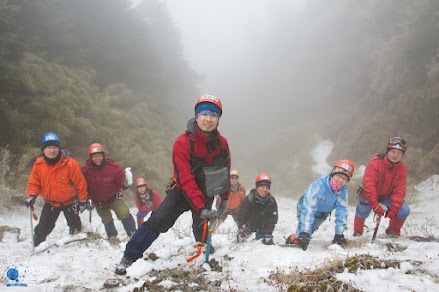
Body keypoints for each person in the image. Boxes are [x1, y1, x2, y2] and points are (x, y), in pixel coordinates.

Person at [115, 94, 231, 275]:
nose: (208, 119)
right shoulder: (182, 143)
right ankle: (130, 255)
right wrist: (201, 208)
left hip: (207, 191)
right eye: (204, 114)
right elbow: (184, 178)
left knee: (202, 226)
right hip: (182, 191)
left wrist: (224, 199)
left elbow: (225, 170)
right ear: (197, 116)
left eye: (214, 115)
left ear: (218, 119)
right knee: (159, 219)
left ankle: (203, 246)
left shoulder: (222, 143)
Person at [25, 132, 88, 247]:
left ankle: (77, 249)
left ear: (59, 149)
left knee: (75, 227)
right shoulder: (39, 165)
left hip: (70, 201)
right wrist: (31, 195)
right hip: (51, 202)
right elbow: (34, 183)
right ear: (43, 150)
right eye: (48, 147)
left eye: (54, 147)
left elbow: (80, 183)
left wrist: (83, 200)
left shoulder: (70, 164)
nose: (52, 150)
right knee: (43, 228)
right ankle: (37, 247)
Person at [285, 160, 355, 250]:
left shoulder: (343, 191)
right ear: (333, 174)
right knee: (304, 234)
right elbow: (309, 208)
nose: (340, 180)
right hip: (305, 208)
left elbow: (342, 211)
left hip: (322, 213)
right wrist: (304, 232)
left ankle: (302, 235)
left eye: (344, 179)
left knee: (311, 230)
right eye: (339, 176)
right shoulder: (319, 185)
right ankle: (292, 239)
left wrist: (339, 233)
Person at [353, 137, 409, 237]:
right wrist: (375, 205)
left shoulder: (402, 170)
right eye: (393, 151)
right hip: (368, 194)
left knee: (404, 211)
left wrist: (394, 210)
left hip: (386, 196)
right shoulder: (375, 164)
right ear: (387, 151)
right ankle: (357, 233)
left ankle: (392, 232)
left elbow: (399, 191)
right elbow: (369, 185)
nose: (395, 155)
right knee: (362, 212)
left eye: (399, 153)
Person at [81, 143, 136, 241]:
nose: (97, 159)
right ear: (90, 157)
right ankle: (112, 237)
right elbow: (82, 186)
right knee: (106, 219)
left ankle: (133, 234)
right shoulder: (85, 170)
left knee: (124, 213)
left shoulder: (113, 167)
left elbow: (122, 182)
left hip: (114, 197)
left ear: (103, 155)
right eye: (94, 157)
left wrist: (127, 182)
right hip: (98, 201)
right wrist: (86, 199)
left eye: (99, 156)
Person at [237, 173, 278, 245]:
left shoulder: (271, 201)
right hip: (248, 227)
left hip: (263, 228)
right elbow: (242, 214)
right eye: (262, 187)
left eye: (267, 188)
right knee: (241, 244)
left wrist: (268, 233)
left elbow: (273, 219)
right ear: (257, 187)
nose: (264, 190)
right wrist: (242, 228)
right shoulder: (249, 199)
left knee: (266, 245)